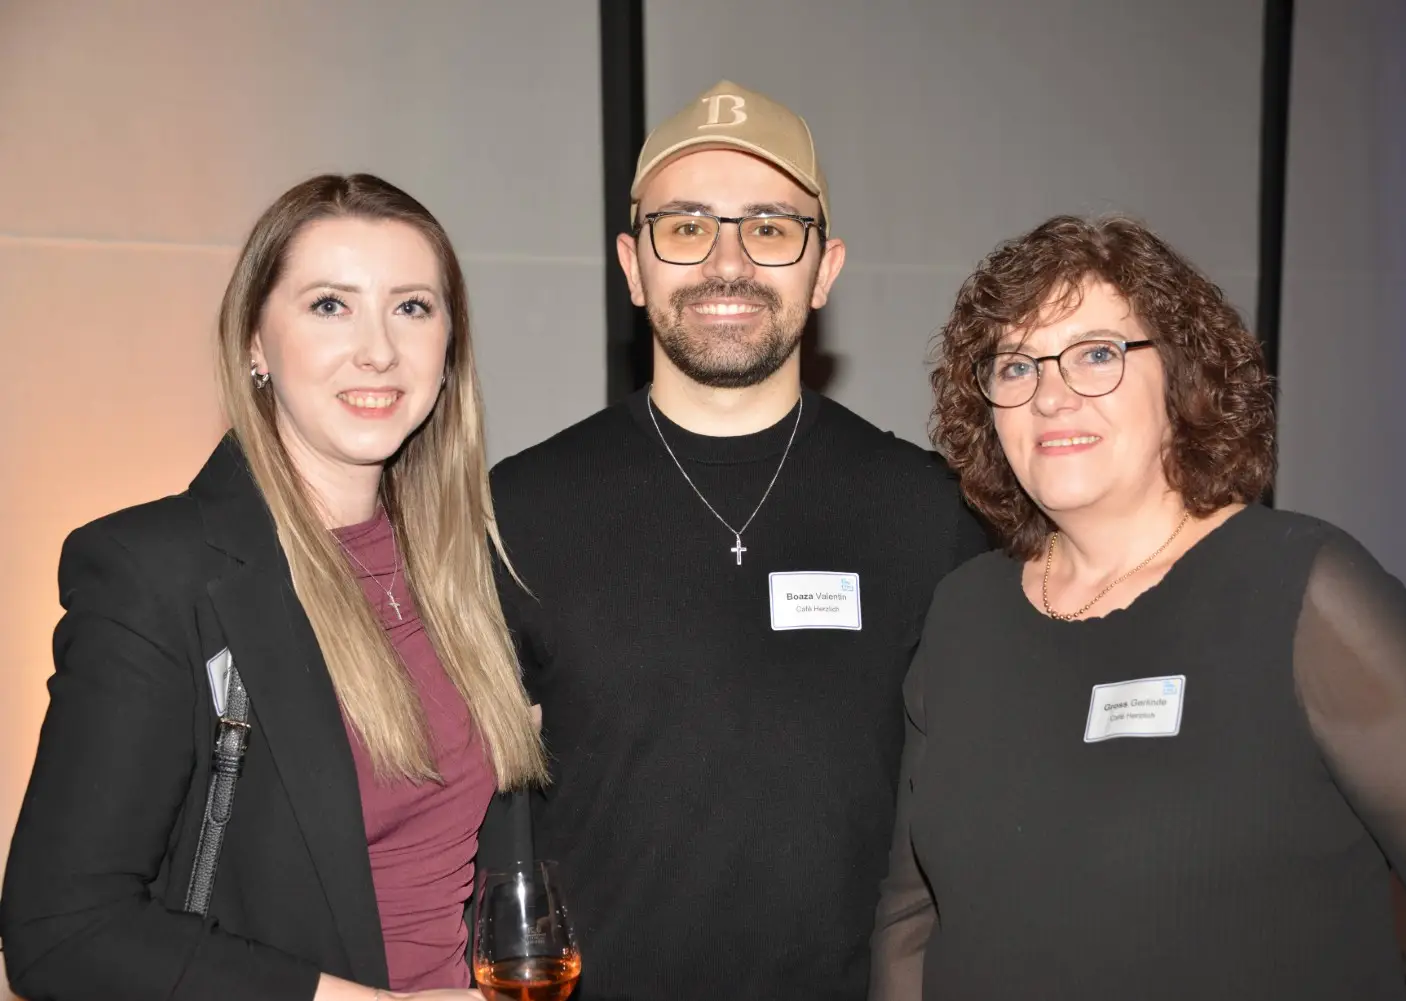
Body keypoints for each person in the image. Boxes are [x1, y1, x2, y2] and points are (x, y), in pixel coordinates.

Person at [868, 214, 1406, 1000]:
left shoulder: (1300, 588)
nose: (1051, 395)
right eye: (1017, 365)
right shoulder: (965, 611)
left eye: (1096, 354)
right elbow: (911, 915)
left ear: (1182, 375)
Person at [486, 80, 990, 1001]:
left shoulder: (932, 514)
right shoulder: (514, 513)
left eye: (769, 226)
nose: (728, 263)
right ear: (632, 266)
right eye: (685, 227)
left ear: (825, 268)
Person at [0, 174, 546, 1001]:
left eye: (411, 307)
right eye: (331, 305)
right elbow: (61, 931)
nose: (378, 349)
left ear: (449, 348)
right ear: (255, 342)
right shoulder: (155, 571)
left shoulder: (471, 574)